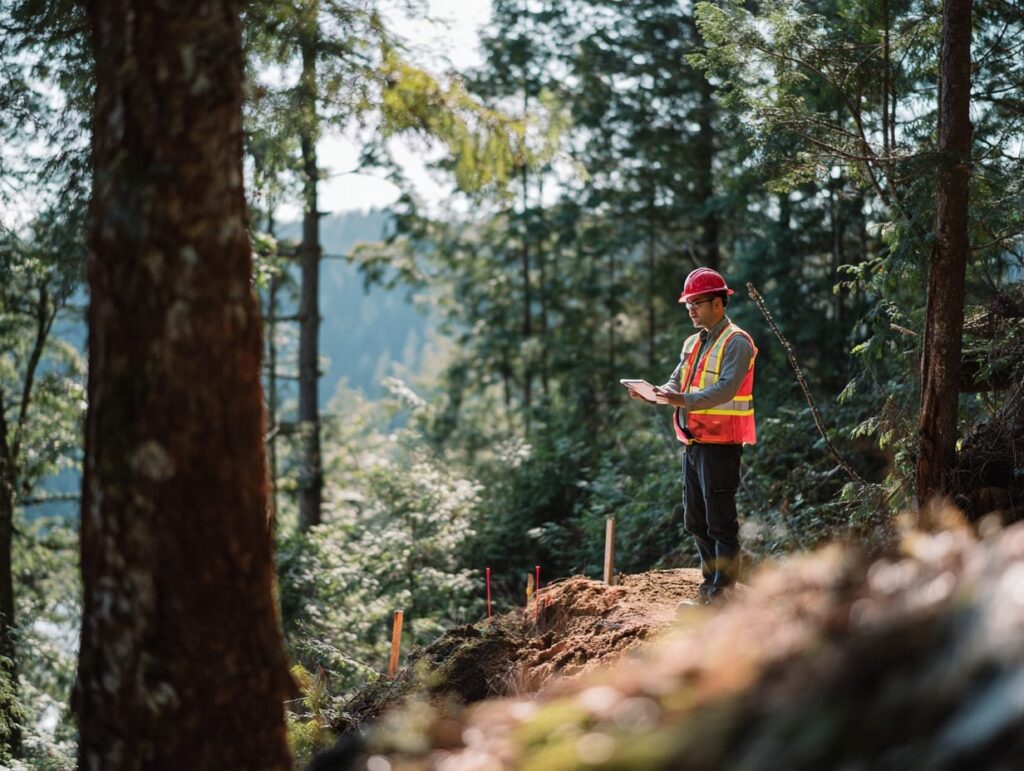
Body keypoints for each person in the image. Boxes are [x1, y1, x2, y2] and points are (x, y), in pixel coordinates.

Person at [650, 268, 757, 605]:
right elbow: (676, 381)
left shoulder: (737, 342)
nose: (691, 309)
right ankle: (709, 590)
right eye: (688, 304)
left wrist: (680, 399)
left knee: (720, 523)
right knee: (696, 521)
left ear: (718, 304)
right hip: (694, 444)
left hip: (721, 446)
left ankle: (722, 595)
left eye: (697, 303)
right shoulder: (693, 342)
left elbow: (725, 389)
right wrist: (656, 393)